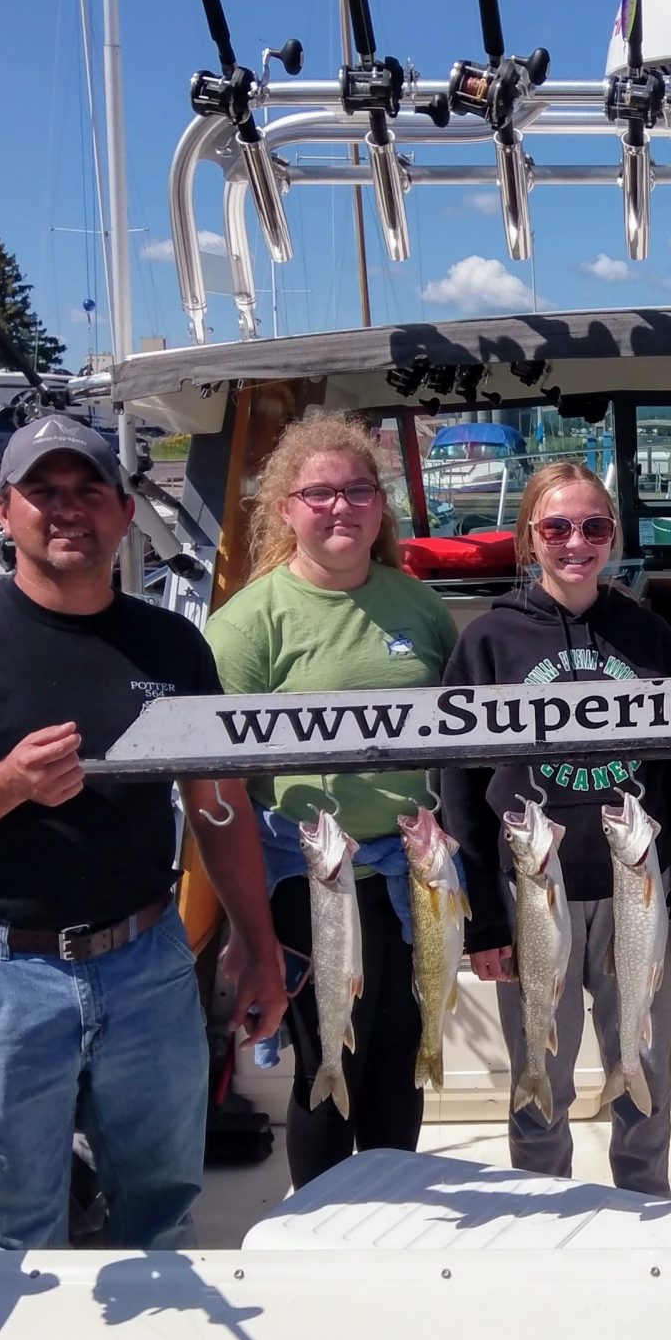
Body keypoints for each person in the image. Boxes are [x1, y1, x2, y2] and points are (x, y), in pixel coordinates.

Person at [0, 415, 286, 1251]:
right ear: (1, 510)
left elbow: (216, 804)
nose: (67, 510)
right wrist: (7, 785)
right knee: (7, 1226)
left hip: (149, 967)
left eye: (90, 490)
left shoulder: (173, 643)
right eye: (42, 492)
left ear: (125, 514)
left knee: (163, 1204)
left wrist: (257, 942)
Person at [206, 413, 458, 1188]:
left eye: (357, 491)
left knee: (400, 1056)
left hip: (414, 877)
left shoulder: (420, 610)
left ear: (381, 507)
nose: (341, 507)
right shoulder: (247, 625)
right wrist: (241, 930)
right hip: (306, 881)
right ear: (285, 508)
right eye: (319, 493)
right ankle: (320, 1218)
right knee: (327, 1059)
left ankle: (396, 1211)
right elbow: (222, 794)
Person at [438, 463, 671, 1192]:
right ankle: (544, 1209)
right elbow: (457, 782)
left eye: (592, 527)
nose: (575, 542)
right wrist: (485, 919)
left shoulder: (648, 636)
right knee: (539, 1072)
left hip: (636, 893)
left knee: (642, 1067)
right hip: (531, 899)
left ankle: (645, 1206)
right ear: (530, 536)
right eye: (556, 527)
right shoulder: (488, 641)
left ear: (612, 537)